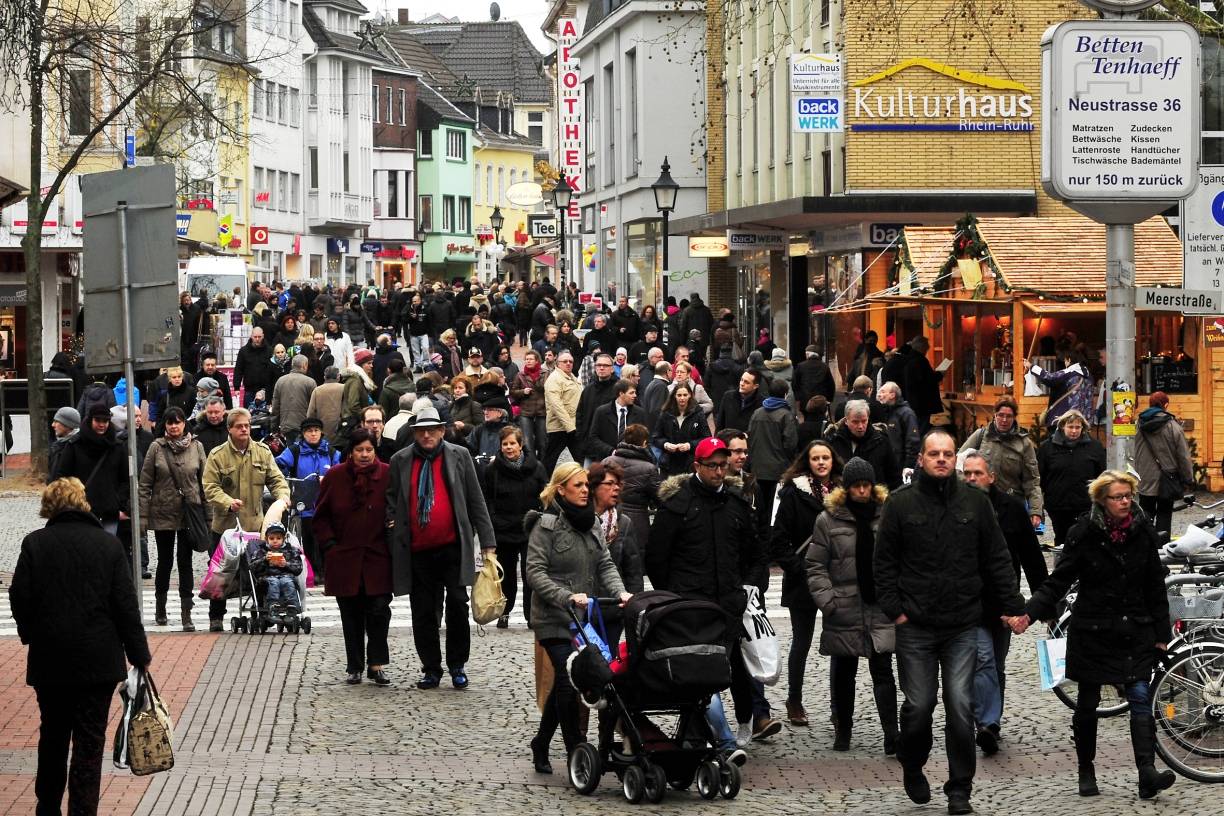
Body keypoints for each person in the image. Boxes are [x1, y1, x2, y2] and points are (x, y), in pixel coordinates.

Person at [873, 429, 1025, 815]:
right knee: (919, 707)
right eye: (934, 453)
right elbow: (883, 564)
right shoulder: (900, 504)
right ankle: (912, 762)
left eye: (947, 453)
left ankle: (960, 789)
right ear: (921, 459)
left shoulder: (975, 502)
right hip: (916, 626)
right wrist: (897, 611)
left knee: (960, 706)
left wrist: (1013, 606)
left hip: (962, 624)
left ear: (955, 459)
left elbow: (996, 558)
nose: (941, 459)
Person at [1006, 471, 1174, 801]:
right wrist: (1029, 612)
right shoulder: (1083, 533)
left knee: (1140, 696)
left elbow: (1155, 586)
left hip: (1134, 630)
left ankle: (1146, 773)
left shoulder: (1142, 531)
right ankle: (1086, 769)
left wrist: (1161, 633)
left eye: (1129, 495)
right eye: (1118, 496)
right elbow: (1059, 581)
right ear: (1101, 500)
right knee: (1088, 702)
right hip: (1094, 630)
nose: (1126, 501)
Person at [9, 478, 152, 816]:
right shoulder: (108, 546)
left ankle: (47, 806)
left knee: (53, 736)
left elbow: (19, 597)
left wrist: (31, 633)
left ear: (50, 506)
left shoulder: (35, 544)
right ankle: (83, 809)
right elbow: (124, 606)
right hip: (98, 661)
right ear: (83, 503)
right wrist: (139, 654)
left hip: (51, 659)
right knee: (89, 742)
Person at [650, 437, 760, 765]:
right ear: (697, 466)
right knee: (699, 677)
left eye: (722, 465)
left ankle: (696, 741)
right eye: (712, 465)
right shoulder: (678, 504)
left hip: (727, 607)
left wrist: (747, 587)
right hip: (689, 608)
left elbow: (754, 552)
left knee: (712, 676)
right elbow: (656, 557)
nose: (718, 471)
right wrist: (672, 597)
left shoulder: (736, 504)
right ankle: (720, 743)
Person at [525, 463, 631, 774]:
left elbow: (605, 565)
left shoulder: (592, 524)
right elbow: (535, 573)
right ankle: (575, 749)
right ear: (560, 489)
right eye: (578, 485)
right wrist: (565, 596)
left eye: (586, 484)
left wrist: (621, 593)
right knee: (569, 680)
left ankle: (541, 742)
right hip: (552, 618)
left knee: (571, 679)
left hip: (582, 618)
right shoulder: (545, 526)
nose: (585, 490)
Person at [385, 405, 497, 690]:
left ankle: (457, 664)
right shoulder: (400, 460)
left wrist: (488, 542)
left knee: (458, 604)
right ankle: (431, 667)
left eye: (432, 430)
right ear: (415, 433)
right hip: (417, 549)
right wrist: (392, 522)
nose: (427, 436)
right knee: (422, 610)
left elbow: (476, 500)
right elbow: (392, 499)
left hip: (452, 547)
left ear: (441, 431)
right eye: (421, 431)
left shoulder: (459, 455)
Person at [805, 456, 899, 754]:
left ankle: (891, 734)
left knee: (883, 670)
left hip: (879, 606)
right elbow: (816, 565)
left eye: (866, 485)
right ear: (846, 488)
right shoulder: (828, 519)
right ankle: (843, 730)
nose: (862, 491)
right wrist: (827, 600)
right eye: (856, 486)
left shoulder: (887, 515)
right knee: (844, 672)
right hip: (843, 607)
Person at [960, 452, 1048, 756]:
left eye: (977, 474)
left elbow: (1031, 557)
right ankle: (987, 723)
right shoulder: (957, 506)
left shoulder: (1010, 509)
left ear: (991, 476)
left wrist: (1043, 603)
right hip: (970, 603)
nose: (971, 479)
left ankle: (990, 719)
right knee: (982, 659)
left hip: (1003, 602)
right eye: (967, 474)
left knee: (995, 663)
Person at [313, 428, 395, 684]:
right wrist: (330, 546)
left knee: (380, 610)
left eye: (369, 449)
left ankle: (376, 663)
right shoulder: (336, 476)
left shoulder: (387, 474)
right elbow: (321, 515)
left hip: (378, 556)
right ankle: (355, 665)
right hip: (345, 557)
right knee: (351, 613)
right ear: (351, 451)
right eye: (359, 450)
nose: (364, 455)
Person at [771, 439, 842, 728]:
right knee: (801, 642)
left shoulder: (842, 491)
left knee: (839, 643)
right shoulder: (792, 493)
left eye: (826, 457)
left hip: (836, 578)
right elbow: (778, 540)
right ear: (807, 462)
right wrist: (800, 568)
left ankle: (840, 704)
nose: (822, 462)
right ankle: (795, 700)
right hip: (803, 579)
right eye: (816, 458)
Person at [201, 407, 290, 631]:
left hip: (255, 526)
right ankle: (216, 615)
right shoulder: (217, 455)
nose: (244, 429)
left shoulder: (262, 452)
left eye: (247, 425)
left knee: (260, 570)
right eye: (239, 426)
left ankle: (260, 610)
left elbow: (276, 479)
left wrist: (283, 497)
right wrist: (227, 501)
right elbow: (209, 487)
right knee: (221, 573)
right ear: (229, 429)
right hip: (225, 527)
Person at [138, 407, 206, 632]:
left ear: (184, 424)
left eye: (177, 422)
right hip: (164, 512)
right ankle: (160, 608)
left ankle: (187, 613)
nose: (174, 426)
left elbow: (205, 483)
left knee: (185, 562)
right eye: (170, 423)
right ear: (165, 426)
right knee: (165, 562)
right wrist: (143, 516)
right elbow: (145, 483)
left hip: (189, 512)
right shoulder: (156, 448)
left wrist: (208, 515)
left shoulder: (197, 447)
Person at [477, 426, 547, 628]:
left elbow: (545, 494)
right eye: (505, 444)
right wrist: (492, 521)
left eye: (512, 443)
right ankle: (504, 612)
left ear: (521, 445)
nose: (509, 448)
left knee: (530, 575)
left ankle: (531, 615)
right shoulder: (492, 470)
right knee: (505, 575)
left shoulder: (536, 467)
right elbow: (487, 498)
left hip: (530, 529)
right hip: (504, 529)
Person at [960, 396, 1043, 530]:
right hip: (981, 502)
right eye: (1001, 415)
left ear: (1015, 417)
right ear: (995, 415)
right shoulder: (980, 436)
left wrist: (1035, 511)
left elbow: (1032, 481)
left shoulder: (1024, 444)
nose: (1004, 420)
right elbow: (958, 465)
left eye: (1009, 416)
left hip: (1011, 506)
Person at [276, 416, 340, 577]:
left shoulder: (331, 452)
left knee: (326, 538)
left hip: (326, 504)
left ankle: (327, 570)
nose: (313, 434)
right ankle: (313, 571)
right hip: (304, 504)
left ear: (321, 432)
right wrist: (285, 479)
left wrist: (329, 478)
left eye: (316, 431)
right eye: (309, 431)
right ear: (303, 434)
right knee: (309, 538)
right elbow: (278, 465)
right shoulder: (295, 451)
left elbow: (340, 473)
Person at [50, 404, 129, 536]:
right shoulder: (75, 445)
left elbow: (125, 479)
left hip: (109, 511)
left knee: (107, 550)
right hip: (81, 510)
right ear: (90, 420)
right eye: (98, 420)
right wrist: (70, 504)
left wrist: (119, 505)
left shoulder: (117, 447)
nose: (102, 424)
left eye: (106, 421)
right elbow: (63, 477)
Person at [589, 461, 644, 646]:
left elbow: (633, 569)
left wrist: (634, 603)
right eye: (609, 484)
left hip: (612, 606)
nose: (616, 488)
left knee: (608, 659)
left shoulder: (624, 523)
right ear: (594, 487)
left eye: (618, 484)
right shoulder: (579, 520)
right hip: (583, 604)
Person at [1037, 409, 1107, 547]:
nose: (1074, 431)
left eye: (1077, 427)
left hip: (1086, 504)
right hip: (1058, 505)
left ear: (1083, 428)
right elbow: (1040, 476)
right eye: (1070, 427)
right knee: (1062, 540)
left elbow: (1101, 476)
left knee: (1085, 539)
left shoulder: (1095, 447)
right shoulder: (1047, 448)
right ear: (1062, 426)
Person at [1133, 391, 1195, 541]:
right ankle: (1162, 545)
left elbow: (1134, 449)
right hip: (1167, 478)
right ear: (1165, 405)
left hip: (1145, 476)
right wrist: (1188, 478)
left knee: (1145, 511)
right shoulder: (1172, 426)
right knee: (1164, 512)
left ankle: (1145, 543)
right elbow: (1183, 456)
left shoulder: (1138, 424)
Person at [747, 378, 799, 526]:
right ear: (785, 394)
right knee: (773, 510)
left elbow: (749, 437)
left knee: (758, 507)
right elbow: (790, 444)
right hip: (778, 470)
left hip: (757, 468)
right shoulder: (786, 415)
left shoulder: (757, 413)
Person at [601, 423, 660, 544]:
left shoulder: (607, 461)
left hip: (607, 517)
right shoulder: (649, 468)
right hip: (637, 523)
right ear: (644, 443)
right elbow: (659, 497)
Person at [823, 399, 901, 490]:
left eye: (864, 421)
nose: (860, 426)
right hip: (842, 498)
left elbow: (894, 477)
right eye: (855, 422)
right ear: (846, 420)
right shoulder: (834, 441)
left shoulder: (881, 441)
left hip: (875, 499)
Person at [1023, 346, 1096, 430]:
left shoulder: (1070, 373)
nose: (1065, 363)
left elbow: (1049, 377)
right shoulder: (1089, 377)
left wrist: (1031, 366)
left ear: (1069, 360)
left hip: (1065, 421)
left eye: (1065, 360)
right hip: (1082, 423)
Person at [246, 521, 304, 621]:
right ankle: (273, 607)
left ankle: (292, 607)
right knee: (274, 582)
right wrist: (264, 559)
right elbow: (252, 568)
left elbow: (298, 568)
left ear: (284, 539)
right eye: (272, 538)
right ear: (266, 539)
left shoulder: (291, 550)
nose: (275, 541)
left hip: (286, 575)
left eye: (278, 538)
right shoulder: (261, 551)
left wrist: (286, 564)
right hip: (267, 578)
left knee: (288, 582)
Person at [653, 382, 710, 477]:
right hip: (668, 464)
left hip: (690, 464)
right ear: (674, 396)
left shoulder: (698, 413)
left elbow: (706, 438)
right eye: (679, 395)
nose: (682, 398)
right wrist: (666, 444)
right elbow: (655, 438)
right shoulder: (666, 414)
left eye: (685, 395)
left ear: (690, 395)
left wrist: (690, 445)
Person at [586, 379, 646, 462]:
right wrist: (611, 451)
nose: (635, 395)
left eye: (635, 392)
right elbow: (593, 437)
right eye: (631, 393)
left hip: (632, 460)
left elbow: (646, 438)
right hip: (606, 459)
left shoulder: (640, 413)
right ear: (621, 393)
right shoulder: (602, 412)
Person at [543, 351, 582, 472]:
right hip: (559, 428)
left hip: (573, 426)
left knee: (580, 457)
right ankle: (543, 484)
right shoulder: (554, 379)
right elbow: (557, 406)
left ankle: (585, 481)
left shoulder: (572, 377)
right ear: (558, 363)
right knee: (550, 460)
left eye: (570, 361)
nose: (568, 364)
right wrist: (570, 427)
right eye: (565, 361)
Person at [876, 381, 921, 480]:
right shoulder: (885, 412)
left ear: (892, 395)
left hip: (901, 468)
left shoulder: (907, 414)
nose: (880, 395)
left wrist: (908, 466)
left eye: (883, 392)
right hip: (887, 467)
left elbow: (913, 442)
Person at [511, 349, 548, 460]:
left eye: (531, 359)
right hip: (526, 412)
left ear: (537, 361)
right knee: (527, 441)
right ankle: (531, 464)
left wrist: (537, 380)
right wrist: (523, 392)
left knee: (543, 442)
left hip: (542, 411)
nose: (528, 361)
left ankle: (543, 466)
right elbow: (513, 392)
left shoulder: (545, 373)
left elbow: (548, 388)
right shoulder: (520, 375)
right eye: (526, 359)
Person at [271, 354, 317, 442]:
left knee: (292, 453)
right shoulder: (310, 382)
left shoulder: (280, 381)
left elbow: (275, 407)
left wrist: (274, 428)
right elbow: (315, 407)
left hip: (287, 425)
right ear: (304, 365)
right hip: (305, 425)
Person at [233, 327, 279, 409]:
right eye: (255, 337)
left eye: (259, 337)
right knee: (248, 416)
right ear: (251, 336)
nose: (257, 339)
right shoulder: (243, 351)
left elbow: (274, 371)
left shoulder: (269, 350)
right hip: (249, 390)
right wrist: (236, 387)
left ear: (263, 336)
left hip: (265, 390)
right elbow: (238, 370)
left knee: (264, 417)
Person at [306, 366, 345, 445]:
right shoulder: (345, 388)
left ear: (324, 377)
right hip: (342, 432)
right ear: (338, 376)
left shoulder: (317, 390)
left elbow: (310, 414)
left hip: (323, 433)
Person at [341, 348, 377, 432]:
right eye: (369, 363)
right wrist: (366, 417)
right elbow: (353, 405)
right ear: (360, 365)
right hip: (354, 423)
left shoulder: (360, 379)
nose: (371, 366)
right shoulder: (355, 380)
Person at [793, 344, 836, 410]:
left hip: (805, 400)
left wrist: (798, 397)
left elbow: (795, 383)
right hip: (820, 400)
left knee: (807, 418)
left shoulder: (801, 366)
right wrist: (829, 399)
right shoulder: (824, 366)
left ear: (807, 355)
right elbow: (831, 385)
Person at [47, 407, 80, 483]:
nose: (53, 425)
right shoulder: (57, 445)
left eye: (56, 421)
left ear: (68, 424)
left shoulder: (78, 447)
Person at [447, 375, 482, 442]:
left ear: (467, 389)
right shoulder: (451, 405)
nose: (457, 390)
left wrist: (464, 426)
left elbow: (481, 429)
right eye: (455, 388)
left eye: (460, 388)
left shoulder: (474, 405)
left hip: (469, 443)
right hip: (453, 443)